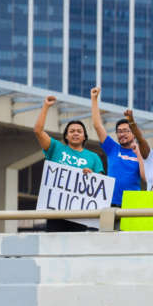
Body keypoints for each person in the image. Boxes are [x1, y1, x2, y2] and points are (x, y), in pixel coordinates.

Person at [33, 95, 105, 232]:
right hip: (55, 211)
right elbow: (38, 131)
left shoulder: (94, 157)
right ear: (66, 135)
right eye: (71, 131)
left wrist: (92, 176)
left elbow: (99, 186)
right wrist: (46, 106)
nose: (75, 134)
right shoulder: (55, 148)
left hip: (79, 214)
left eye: (79, 131)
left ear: (84, 136)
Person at [89, 86, 144, 206]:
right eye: (119, 131)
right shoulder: (112, 148)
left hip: (132, 204)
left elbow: (145, 177)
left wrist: (138, 153)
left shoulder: (142, 152)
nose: (122, 134)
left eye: (126, 130)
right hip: (110, 203)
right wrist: (94, 100)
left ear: (133, 133)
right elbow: (98, 125)